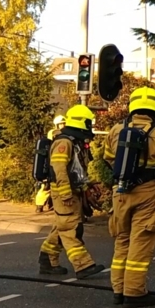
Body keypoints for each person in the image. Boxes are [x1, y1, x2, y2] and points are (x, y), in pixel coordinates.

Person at [103, 87, 155, 308]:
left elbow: (107, 159)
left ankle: (118, 290)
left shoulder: (116, 129)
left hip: (120, 193)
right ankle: (135, 293)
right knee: (141, 242)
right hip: (148, 193)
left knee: (122, 241)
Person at [38, 105, 105, 279]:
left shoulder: (73, 142)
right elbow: (59, 169)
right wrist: (66, 193)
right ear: (81, 122)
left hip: (71, 191)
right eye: (89, 122)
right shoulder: (64, 143)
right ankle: (83, 265)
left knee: (62, 226)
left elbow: (76, 171)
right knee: (70, 228)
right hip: (64, 193)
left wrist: (87, 184)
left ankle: (47, 259)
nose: (90, 126)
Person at [35, 115, 66, 213]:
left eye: (64, 123)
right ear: (56, 125)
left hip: (57, 161)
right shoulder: (53, 133)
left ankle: (51, 204)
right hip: (50, 163)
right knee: (46, 187)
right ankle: (39, 206)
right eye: (61, 124)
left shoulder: (63, 133)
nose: (63, 125)